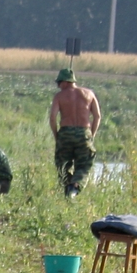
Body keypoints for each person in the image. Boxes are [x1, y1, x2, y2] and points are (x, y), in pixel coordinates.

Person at [49, 68, 101, 196]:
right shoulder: (89, 94)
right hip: (84, 132)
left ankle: (68, 188)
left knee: (63, 165)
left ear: (65, 82)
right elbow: (97, 116)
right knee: (84, 165)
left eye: (59, 83)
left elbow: (53, 117)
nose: (59, 86)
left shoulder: (59, 96)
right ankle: (75, 186)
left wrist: (57, 135)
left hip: (65, 133)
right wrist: (91, 134)